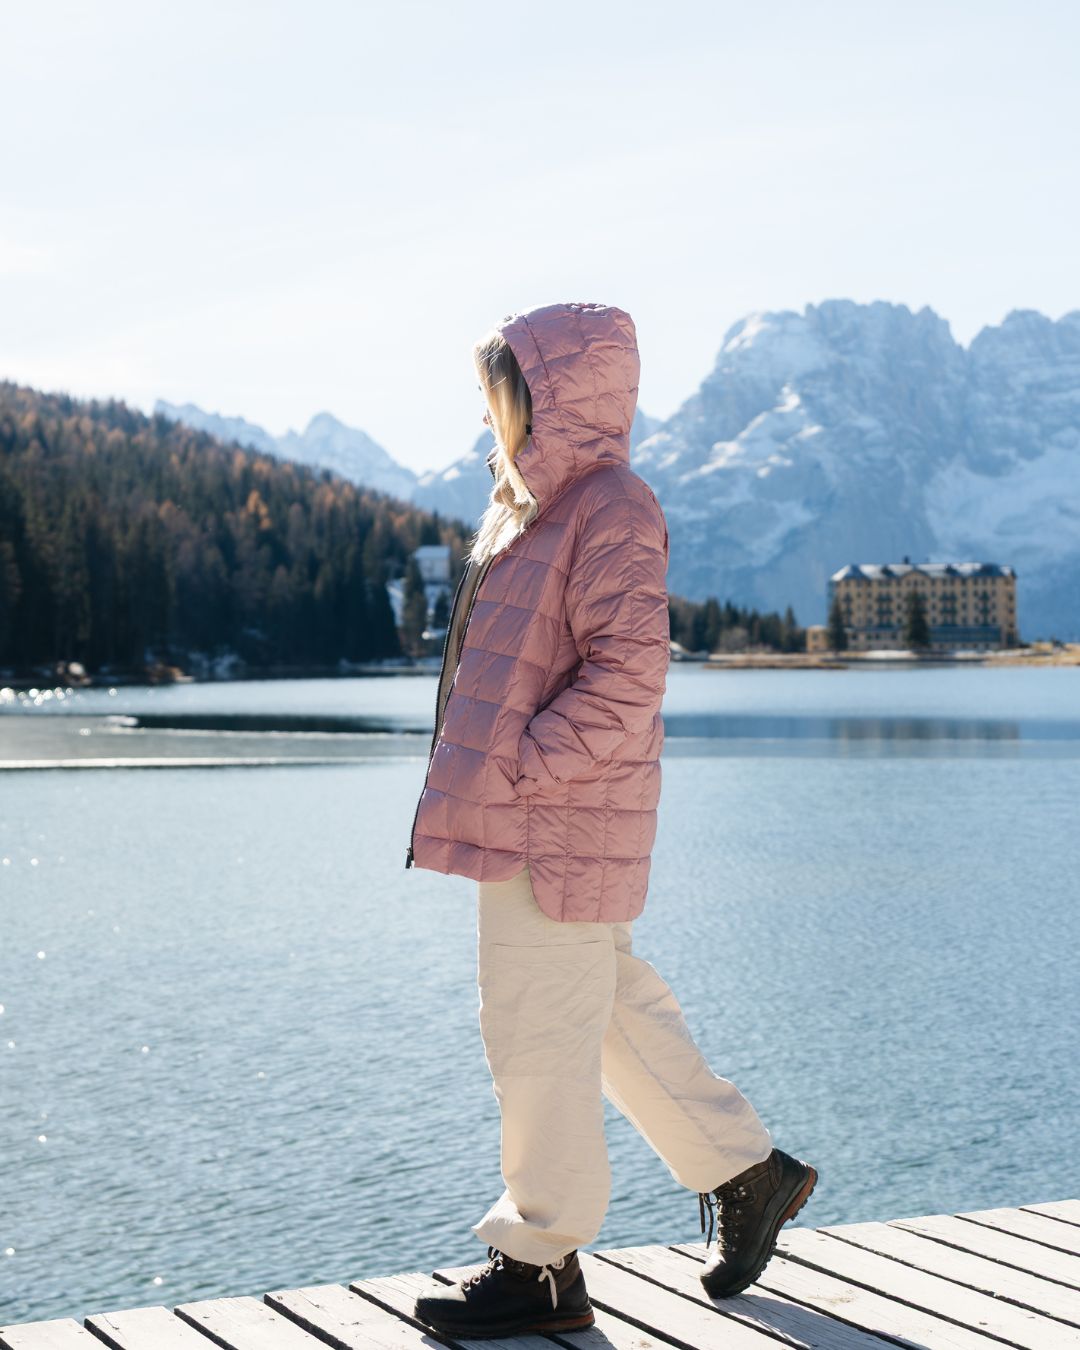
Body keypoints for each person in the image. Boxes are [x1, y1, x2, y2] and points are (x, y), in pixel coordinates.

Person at [406, 301, 817, 1338]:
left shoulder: (609, 506)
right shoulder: (540, 507)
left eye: (507, 391)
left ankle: (540, 1264)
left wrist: (520, 770)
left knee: (536, 1028)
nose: (493, 412)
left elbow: (629, 677)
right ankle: (747, 1172)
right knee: (603, 1012)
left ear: (556, 396)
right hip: (545, 817)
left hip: (551, 822)